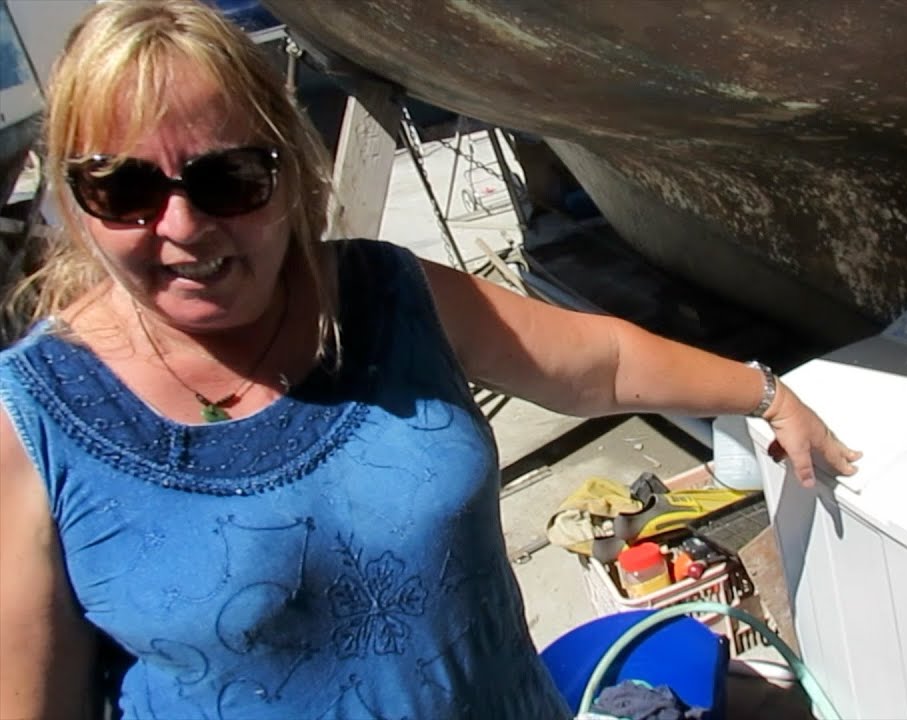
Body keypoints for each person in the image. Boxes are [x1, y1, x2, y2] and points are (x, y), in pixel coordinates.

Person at [0, 1, 861, 717]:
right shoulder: (34, 417)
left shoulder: (389, 294)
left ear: (292, 171)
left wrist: (764, 392)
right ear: (74, 204)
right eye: (124, 189)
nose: (183, 228)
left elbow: (591, 363)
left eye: (229, 179)